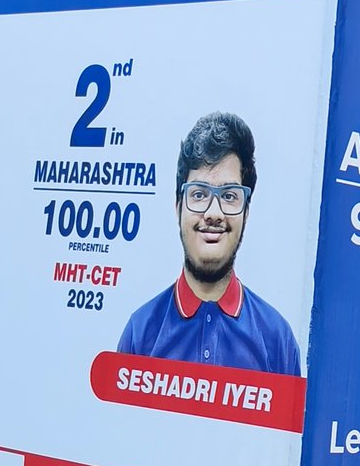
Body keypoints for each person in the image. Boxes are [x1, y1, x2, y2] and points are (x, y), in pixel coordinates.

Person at [118, 112, 300, 374]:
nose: (213, 213)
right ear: (178, 206)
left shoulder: (277, 340)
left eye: (228, 195)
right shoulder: (141, 331)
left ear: (246, 212)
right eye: (200, 194)